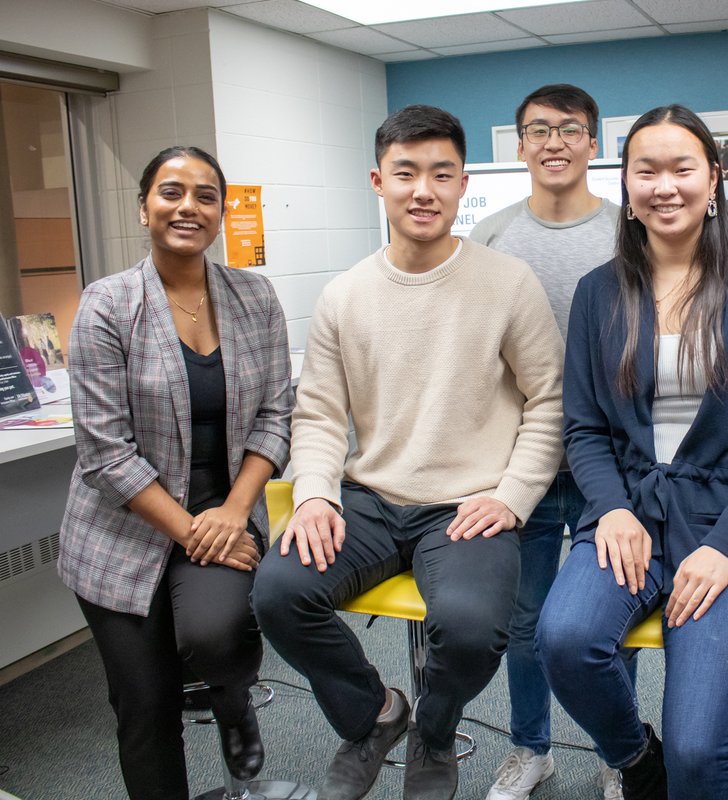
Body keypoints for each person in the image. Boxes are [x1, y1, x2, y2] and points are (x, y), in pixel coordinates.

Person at [251, 105, 564, 800]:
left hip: (467, 504)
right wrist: (314, 494)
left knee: (475, 626)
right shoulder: (343, 296)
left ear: (461, 186)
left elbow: (550, 401)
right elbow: (322, 414)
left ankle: (435, 728)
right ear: (378, 181)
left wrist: (511, 498)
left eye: (440, 174)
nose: (423, 189)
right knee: (277, 594)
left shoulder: (508, 283)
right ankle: (375, 715)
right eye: (406, 173)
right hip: (369, 499)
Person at [536, 105, 728, 800]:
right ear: (626, 185)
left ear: (712, 179)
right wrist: (612, 511)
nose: (665, 186)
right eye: (646, 170)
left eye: (682, 168)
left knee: (698, 753)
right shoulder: (599, 293)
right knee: (566, 641)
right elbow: (585, 430)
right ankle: (636, 760)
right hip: (628, 514)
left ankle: (674, 768)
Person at [58, 146, 293, 800]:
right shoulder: (108, 305)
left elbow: (278, 412)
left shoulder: (253, 296)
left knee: (219, 640)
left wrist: (232, 511)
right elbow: (106, 453)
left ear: (220, 212)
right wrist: (195, 531)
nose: (188, 205)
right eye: (171, 192)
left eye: (205, 195)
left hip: (222, 511)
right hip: (120, 533)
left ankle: (232, 699)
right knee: (145, 703)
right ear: (144, 208)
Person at [469, 83, 627, 800]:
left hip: (613, 465)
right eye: (539, 130)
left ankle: (622, 753)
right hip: (522, 463)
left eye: (570, 129)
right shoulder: (493, 235)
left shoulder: (633, 233)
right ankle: (530, 748)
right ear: (520, 144)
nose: (554, 141)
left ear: (594, 141)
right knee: (526, 620)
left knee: (606, 623)